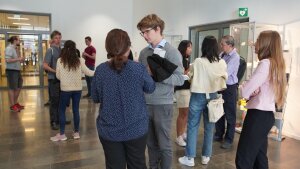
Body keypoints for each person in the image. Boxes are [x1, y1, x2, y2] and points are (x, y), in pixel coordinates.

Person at [92, 29, 155, 169]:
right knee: (138, 164)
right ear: (128, 48)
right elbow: (150, 88)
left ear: (107, 48)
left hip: (109, 130)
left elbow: (95, 97)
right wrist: (149, 73)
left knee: (114, 166)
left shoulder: (101, 70)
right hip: (136, 128)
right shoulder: (138, 69)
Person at [137, 14, 185, 169]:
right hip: (145, 103)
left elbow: (180, 79)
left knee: (164, 145)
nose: (144, 36)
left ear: (158, 29)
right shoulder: (144, 53)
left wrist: (159, 75)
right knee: (150, 144)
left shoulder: (172, 52)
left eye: (146, 32)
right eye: (142, 33)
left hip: (163, 104)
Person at [235, 30, 286, 169]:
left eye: (258, 40)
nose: (255, 44)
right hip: (266, 115)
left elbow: (245, 91)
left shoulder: (265, 64)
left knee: (243, 159)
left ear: (265, 43)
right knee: (259, 157)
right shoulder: (276, 64)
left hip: (257, 116)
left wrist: (244, 85)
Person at [179, 36, 228, 166]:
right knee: (209, 127)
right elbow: (225, 78)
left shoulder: (198, 61)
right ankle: (206, 156)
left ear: (203, 47)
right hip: (213, 95)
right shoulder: (221, 62)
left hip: (198, 95)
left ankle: (190, 158)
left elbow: (190, 76)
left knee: (193, 126)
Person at [50, 40, 94, 141]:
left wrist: (66, 79)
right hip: (77, 89)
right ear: (74, 49)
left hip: (65, 89)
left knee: (61, 110)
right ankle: (76, 133)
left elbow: (58, 76)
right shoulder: (80, 60)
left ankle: (62, 134)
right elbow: (89, 72)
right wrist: (100, 70)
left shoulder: (60, 60)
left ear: (64, 48)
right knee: (75, 110)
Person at [214, 35, 240, 149]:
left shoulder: (235, 57)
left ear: (230, 45)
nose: (221, 46)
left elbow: (225, 72)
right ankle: (219, 134)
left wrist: (215, 72)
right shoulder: (222, 55)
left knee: (230, 114)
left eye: (223, 44)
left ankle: (229, 139)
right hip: (220, 87)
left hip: (229, 88)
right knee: (219, 112)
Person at [174, 40, 193, 147]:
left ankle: (182, 133)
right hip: (182, 89)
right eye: (188, 47)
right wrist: (191, 68)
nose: (190, 49)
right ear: (183, 48)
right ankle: (178, 136)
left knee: (186, 113)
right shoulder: (179, 59)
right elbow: (180, 74)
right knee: (183, 114)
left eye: (191, 47)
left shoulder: (186, 59)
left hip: (187, 89)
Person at [43, 30, 62, 130]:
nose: (58, 39)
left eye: (59, 37)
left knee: (60, 101)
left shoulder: (61, 50)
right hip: (53, 80)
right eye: (56, 38)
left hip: (61, 80)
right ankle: (53, 121)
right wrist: (55, 71)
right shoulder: (50, 50)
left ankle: (59, 119)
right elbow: (45, 65)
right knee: (54, 101)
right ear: (52, 39)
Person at [5, 36, 25, 112]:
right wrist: (18, 59)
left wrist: (21, 59)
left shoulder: (15, 49)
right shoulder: (9, 48)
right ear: (14, 40)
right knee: (12, 88)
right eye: (18, 40)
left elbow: (18, 60)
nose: (19, 41)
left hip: (17, 70)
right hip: (11, 71)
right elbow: (7, 60)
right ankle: (12, 105)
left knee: (19, 86)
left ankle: (15, 103)